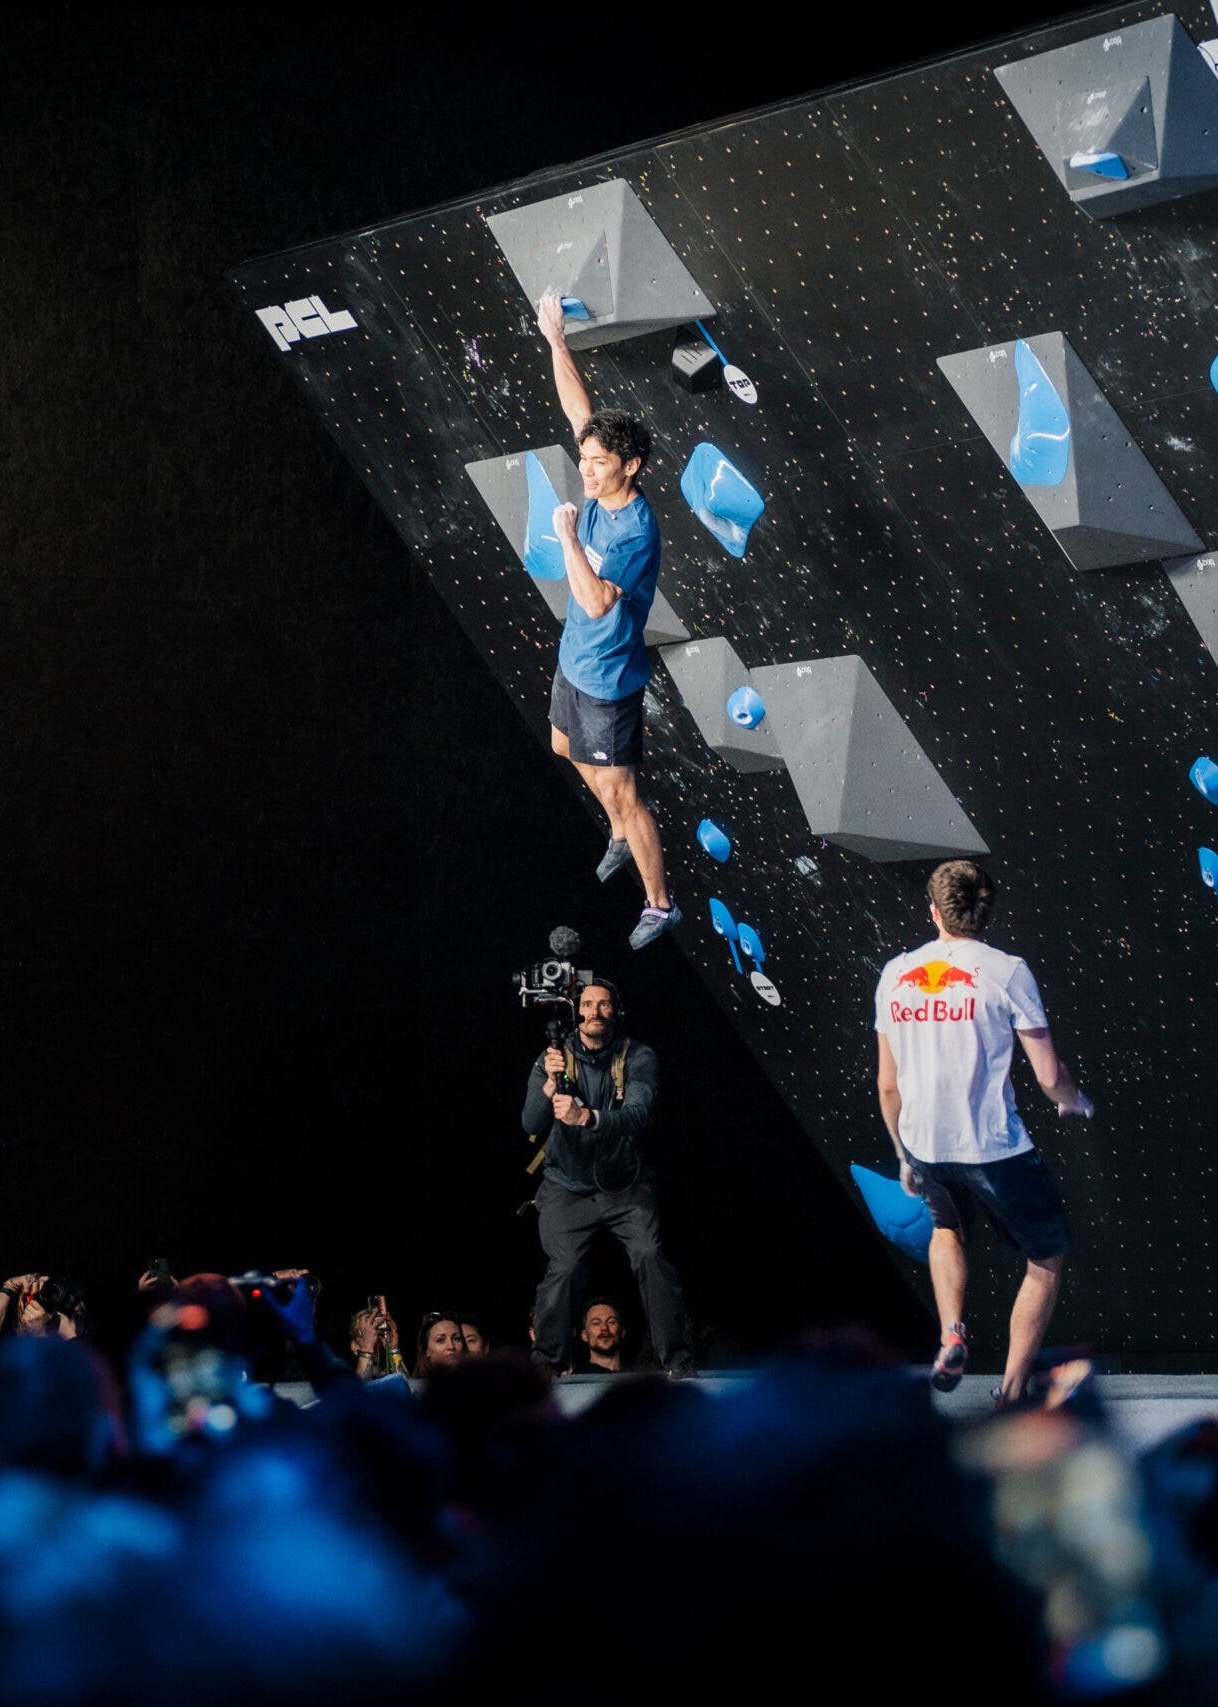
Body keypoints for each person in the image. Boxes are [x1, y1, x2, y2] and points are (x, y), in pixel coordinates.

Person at [875, 859, 1092, 1403]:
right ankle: (1013, 1391)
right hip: (993, 1147)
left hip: (925, 1144)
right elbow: (1049, 1075)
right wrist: (1074, 1101)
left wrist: (904, 1154)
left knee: (946, 1229)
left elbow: (887, 1085)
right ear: (986, 912)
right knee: (1045, 1258)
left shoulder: (895, 974)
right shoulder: (1008, 971)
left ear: (934, 911)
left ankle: (951, 1332)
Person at [535, 292, 674, 950]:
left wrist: (565, 534)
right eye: (584, 460)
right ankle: (616, 829)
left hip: (608, 679)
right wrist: (556, 339)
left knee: (626, 798)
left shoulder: (632, 531)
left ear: (632, 468)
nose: (585, 470)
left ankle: (657, 901)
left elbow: (595, 601)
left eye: (597, 463)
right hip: (575, 661)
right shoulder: (599, 470)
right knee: (562, 746)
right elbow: (578, 408)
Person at [524, 979, 696, 1376]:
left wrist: (587, 1116)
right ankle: (546, 1364)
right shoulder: (552, 1057)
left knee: (650, 1254)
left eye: (604, 1005)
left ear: (615, 1012)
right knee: (563, 1268)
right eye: (587, 1004)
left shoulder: (637, 1055)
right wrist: (547, 1086)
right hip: (567, 1185)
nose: (595, 1012)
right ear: (576, 1011)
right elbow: (529, 1122)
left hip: (625, 1185)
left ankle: (677, 1360)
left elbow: (636, 1116)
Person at [347, 1300, 404, 1378]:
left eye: (376, 1330)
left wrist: (394, 1350)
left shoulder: (384, 1375)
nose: (372, 1336)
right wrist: (367, 1348)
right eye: (365, 1332)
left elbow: (409, 1387)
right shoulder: (341, 1375)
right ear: (354, 1346)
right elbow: (360, 1388)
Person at [574, 1300, 632, 1374]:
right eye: (596, 1323)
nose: (604, 1328)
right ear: (584, 1335)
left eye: (611, 1322)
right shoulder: (576, 1379)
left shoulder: (636, 1379)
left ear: (622, 1332)